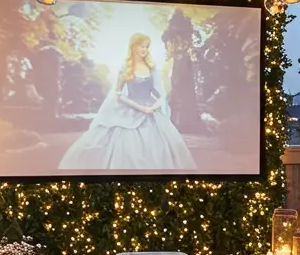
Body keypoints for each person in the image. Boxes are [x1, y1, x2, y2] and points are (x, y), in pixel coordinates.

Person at [58, 33, 196, 172]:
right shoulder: (126, 68)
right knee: (119, 143)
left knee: (161, 146)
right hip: (130, 108)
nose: (144, 49)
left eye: (146, 46)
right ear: (133, 47)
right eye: (141, 46)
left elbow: (160, 94)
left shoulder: (151, 67)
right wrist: (140, 107)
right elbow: (118, 94)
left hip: (151, 111)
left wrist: (153, 107)